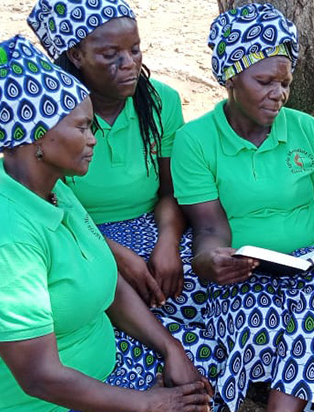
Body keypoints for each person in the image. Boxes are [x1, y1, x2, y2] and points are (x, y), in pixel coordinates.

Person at [0, 36, 220, 412]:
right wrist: (149, 404)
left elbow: (108, 282)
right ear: (36, 139)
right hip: (35, 411)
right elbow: (39, 377)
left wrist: (170, 347)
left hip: (97, 362)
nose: (93, 138)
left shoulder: (55, 192)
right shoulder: (3, 242)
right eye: (81, 127)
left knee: (199, 378)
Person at [170, 4, 314, 412]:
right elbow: (210, 230)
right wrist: (213, 262)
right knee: (258, 323)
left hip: (312, 264)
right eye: (264, 82)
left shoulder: (307, 130)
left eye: (285, 83)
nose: (278, 94)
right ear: (231, 78)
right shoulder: (197, 141)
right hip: (245, 268)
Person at [27, 0, 207, 324]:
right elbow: (46, 212)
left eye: (135, 49)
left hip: (154, 225)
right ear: (76, 55)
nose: (129, 64)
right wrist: (112, 253)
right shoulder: (51, 119)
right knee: (111, 310)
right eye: (111, 55)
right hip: (76, 239)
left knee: (204, 291)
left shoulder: (161, 103)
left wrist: (168, 241)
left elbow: (170, 191)